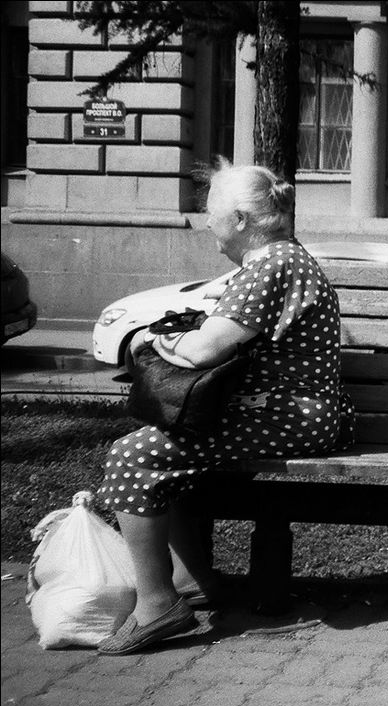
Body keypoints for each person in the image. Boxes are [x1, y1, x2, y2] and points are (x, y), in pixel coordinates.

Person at [96, 160, 353, 655]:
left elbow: (204, 350)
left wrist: (153, 338)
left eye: (210, 210)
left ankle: (157, 605)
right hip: (288, 410)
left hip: (292, 414)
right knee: (172, 437)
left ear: (239, 219)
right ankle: (191, 581)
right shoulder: (276, 261)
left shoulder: (274, 264)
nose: (205, 221)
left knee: (131, 457)